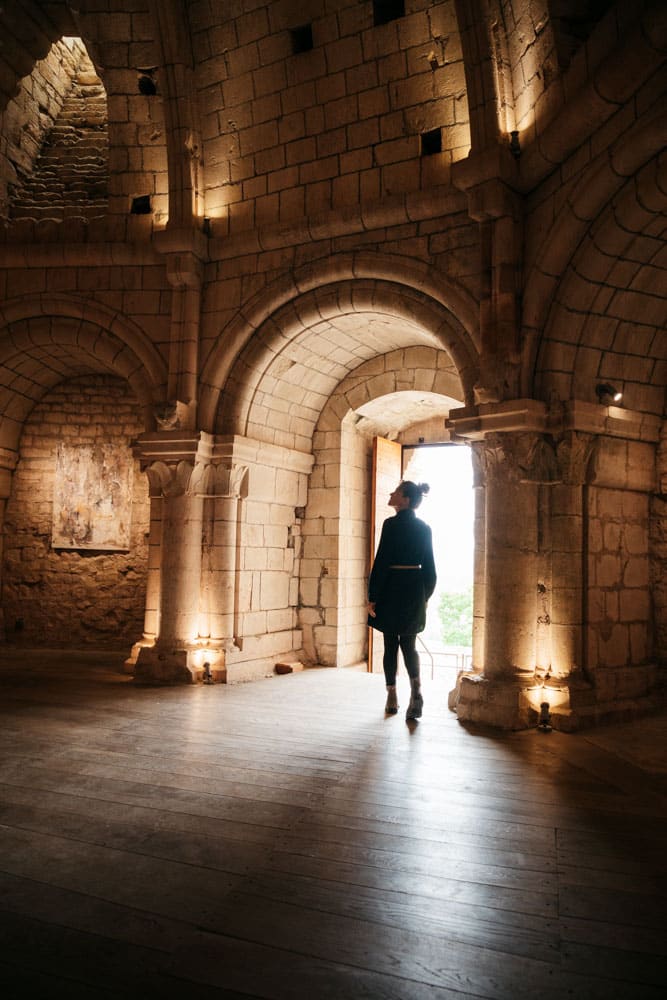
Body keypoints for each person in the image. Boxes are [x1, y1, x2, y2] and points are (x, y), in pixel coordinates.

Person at [367, 480, 437, 721]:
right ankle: (416, 692)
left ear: (405, 499)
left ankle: (392, 695)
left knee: (390, 644)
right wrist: (423, 597)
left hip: (391, 589)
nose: (391, 494)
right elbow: (430, 570)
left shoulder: (391, 525)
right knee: (409, 645)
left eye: (396, 492)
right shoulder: (425, 528)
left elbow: (381, 561)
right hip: (413, 590)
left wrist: (373, 596)